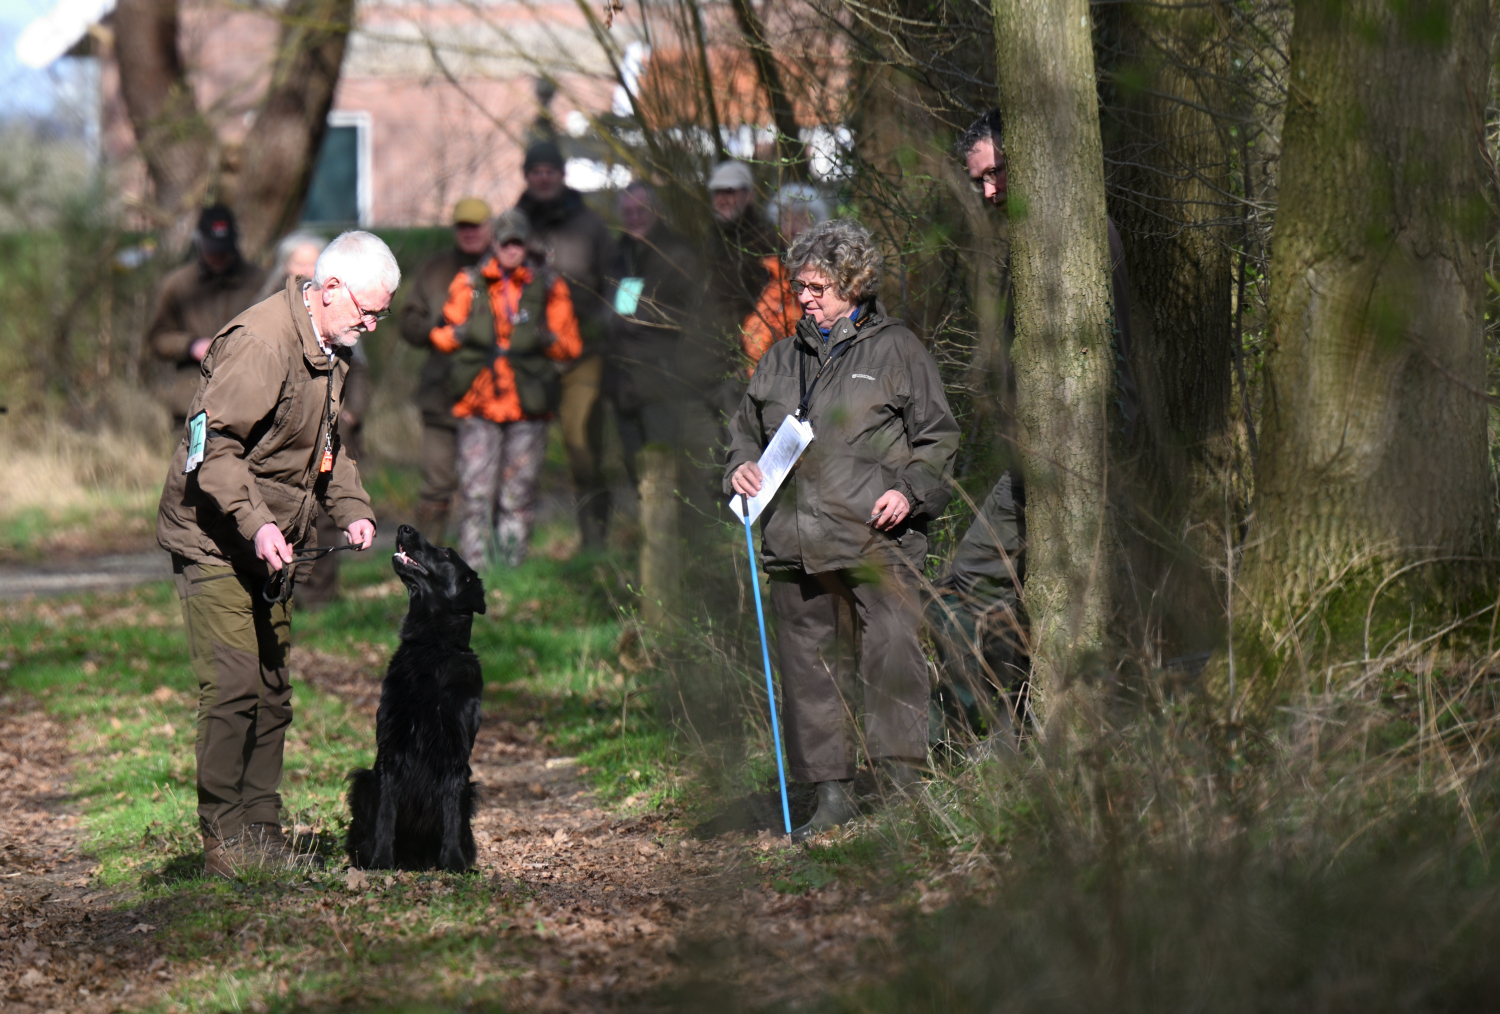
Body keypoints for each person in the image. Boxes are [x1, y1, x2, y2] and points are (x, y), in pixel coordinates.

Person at [156, 230, 396, 878]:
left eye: (382, 315)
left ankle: (262, 831)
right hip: (213, 536)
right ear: (332, 288)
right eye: (368, 311)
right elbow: (213, 451)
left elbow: (327, 449)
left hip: (272, 545)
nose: (372, 326)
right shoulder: (261, 344)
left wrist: (354, 509)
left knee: (271, 689)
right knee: (233, 687)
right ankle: (224, 839)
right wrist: (259, 525)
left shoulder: (330, 348)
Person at [726, 219, 960, 841]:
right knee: (809, 671)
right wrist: (738, 469)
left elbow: (938, 438)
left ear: (853, 285)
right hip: (793, 544)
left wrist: (909, 492)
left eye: (817, 287)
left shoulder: (899, 349)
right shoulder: (780, 358)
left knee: (892, 657)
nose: (804, 298)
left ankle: (902, 790)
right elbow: (743, 435)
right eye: (799, 287)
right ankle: (831, 796)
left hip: (878, 540)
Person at [428, 209, 583, 567]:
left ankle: (512, 569)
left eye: (518, 243)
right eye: (505, 242)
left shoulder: (549, 286)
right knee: (475, 495)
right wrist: (460, 333)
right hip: (478, 403)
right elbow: (441, 334)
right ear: (494, 244)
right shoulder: (469, 282)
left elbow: (571, 346)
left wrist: (547, 339)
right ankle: (474, 571)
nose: (511, 249)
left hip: (528, 406)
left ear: (527, 245)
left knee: (519, 494)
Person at [260, 232, 372, 609]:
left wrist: (351, 413)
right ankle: (277, 592)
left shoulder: (340, 310)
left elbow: (360, 369)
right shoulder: (265, 313)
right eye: (301, 262)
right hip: (281, 434)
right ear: (284, 266)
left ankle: (321, 595)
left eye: (315, 262)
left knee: (326, 508)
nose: (309, 270)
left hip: (330, 427)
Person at [513, 141, 616, 551]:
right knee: (518, 454)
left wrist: (608, 323)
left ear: (562, 174)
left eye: (549, 170)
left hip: (582, 355)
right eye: (535, 171)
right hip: (528, 357)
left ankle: (595, 538)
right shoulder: (515, 224)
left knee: (580, 444)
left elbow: (621, 281)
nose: (543, 177)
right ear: (526, 176)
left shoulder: (590, 225)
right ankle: (513, 547)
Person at [400, 198, 495, 540]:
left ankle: (488, 559)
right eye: (463, 226)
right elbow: (408, 322)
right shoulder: (435, 269)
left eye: (476, 225)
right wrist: (435, 331)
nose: (470, 232)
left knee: (486, 486)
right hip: (441, 396)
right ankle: (426, 560)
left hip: (491, 397)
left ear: (490, 227)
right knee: (436, 485)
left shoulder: (506, 266)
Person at [606, 181, 700, 485]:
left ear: (657, 211)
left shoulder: (678, 254)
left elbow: (694, 316)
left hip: (661, 379)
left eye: (641, 210)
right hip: (623, 382)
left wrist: (640, 320)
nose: (634, 217)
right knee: (635, 469)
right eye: (628, 212)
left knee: (664, 468)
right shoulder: (618, 253)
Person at [146, 205, 268, 426]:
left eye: (224, 250)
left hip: (249, 402)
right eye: (213, 250)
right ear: (199, 242)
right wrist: (190, 346)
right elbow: (157, 339)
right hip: (193, 402)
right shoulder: (177, 285)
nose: (218, 257)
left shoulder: (260, 283)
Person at [742, 183, 831, 369]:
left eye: (801, 219)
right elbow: (756, 334)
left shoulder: (830, 277)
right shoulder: (770, 274)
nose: (793, 228)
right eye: (786, 220)